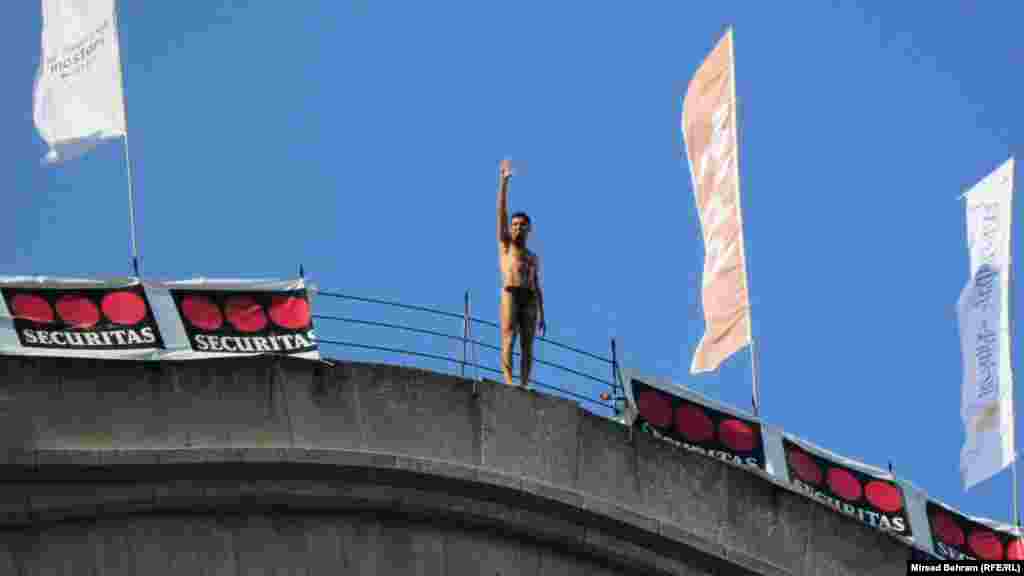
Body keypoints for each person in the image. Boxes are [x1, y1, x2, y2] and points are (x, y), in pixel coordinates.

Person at [496, 159, 546, 387]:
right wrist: (503, 182)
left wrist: (543, 314)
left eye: (521, 225)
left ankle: (524, 383)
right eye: (514, 224)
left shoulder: (532, 256)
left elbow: (537, 285)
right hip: (511, 293)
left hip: (530, 298)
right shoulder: (506, 245)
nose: (517, 227)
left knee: (528, 343)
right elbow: (501, 212)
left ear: (529, 228)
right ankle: (508, 379)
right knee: (508, 336)